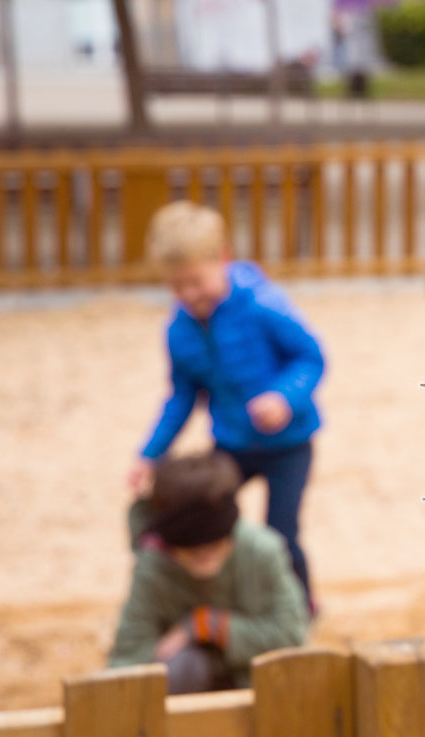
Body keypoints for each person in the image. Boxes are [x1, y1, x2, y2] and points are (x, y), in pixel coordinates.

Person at [129, 200, 325, 614]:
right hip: (232, 444)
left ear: (222, 258)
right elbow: (182, 396)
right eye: (176, 286)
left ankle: (300, 607)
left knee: (281, 533)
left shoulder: (263, 304)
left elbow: (311, 357)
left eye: (196, 281)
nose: (188, 294)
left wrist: (284, 396)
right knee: (209, 522)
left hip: (288, 444)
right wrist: (150, 453)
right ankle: (226, 601)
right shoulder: (179, 329)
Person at [108, 451, 309, 694]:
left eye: (214, 544)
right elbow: (128, 655)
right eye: (191, 548)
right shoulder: (154, 565)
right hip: (184, 697)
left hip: (256, 689)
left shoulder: (262, 551)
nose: (204, 553)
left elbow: (291, 634)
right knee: (185, 667)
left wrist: (206, 625)